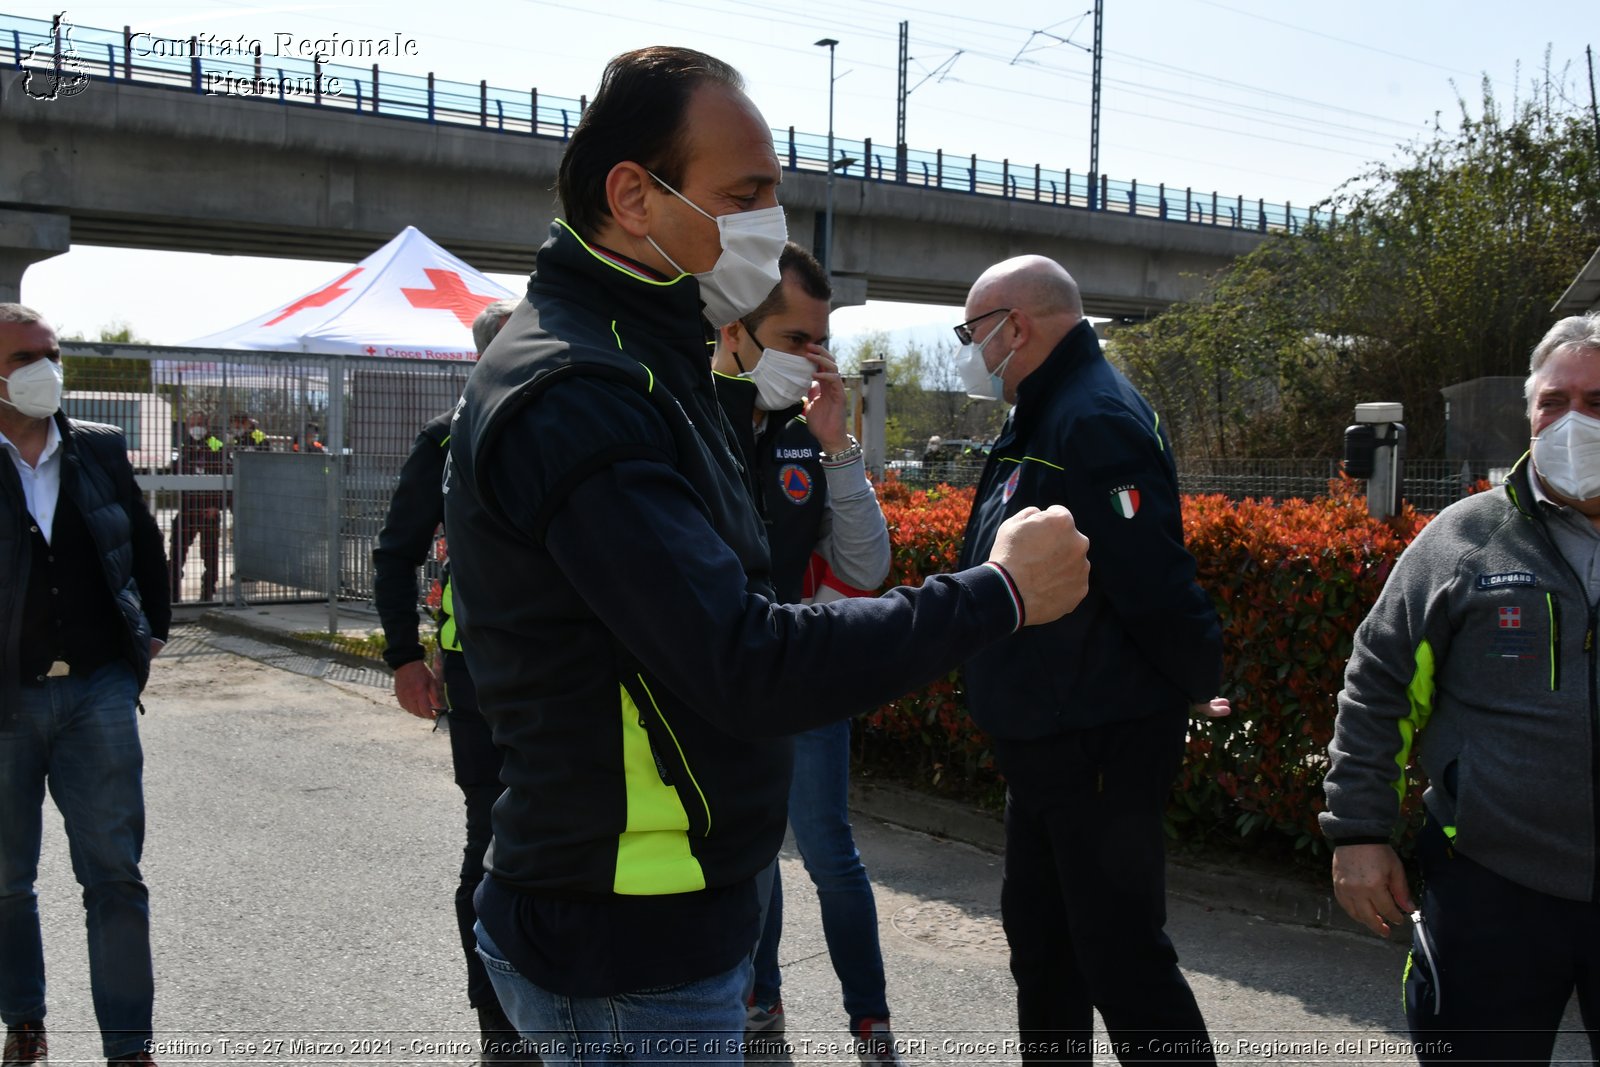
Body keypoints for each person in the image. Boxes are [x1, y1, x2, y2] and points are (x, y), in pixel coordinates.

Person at [442, 46, 1091, 1065]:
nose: (767, 226)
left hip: (657, 912)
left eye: (773, 196)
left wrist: (772, 404)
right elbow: (743, 658)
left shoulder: (644, 357)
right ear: (633, 196)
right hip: (625, 935)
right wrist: (999, 592)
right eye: (742, 195)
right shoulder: (581, 388)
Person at [952, 256, 1228, 1065]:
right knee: (1045, 951)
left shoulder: (1090, 416)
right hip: (1050, 738)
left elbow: (1150, 576)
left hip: (1096, 736)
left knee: (1122, 959)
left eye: (972, 332)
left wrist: (1195, 677)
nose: (969, 349)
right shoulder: (1045, 409)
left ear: (1017, 326)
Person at [1323, 311, 1600, 1065]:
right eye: (1553, 401)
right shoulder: (1461, 538)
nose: (1572, 419)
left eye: (1597, 402)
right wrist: (1358, 829)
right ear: (1529, 412)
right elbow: (1377, 681)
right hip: (1490, 888)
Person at [710, 243, 901, 1063]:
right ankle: (763, 1002)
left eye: (821, 340)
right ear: (734, 332)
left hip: (804, 677)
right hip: (720, 681)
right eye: (796, 340)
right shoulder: (688, 415)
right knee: (752, 857)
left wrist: (839, 448)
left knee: (828, 852)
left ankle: (871, 1020)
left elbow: (867, 567)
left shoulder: (805, 435)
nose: (814, 360)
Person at [0, 303, 170, 1067]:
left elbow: (141, 544)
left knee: (115, 875)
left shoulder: (97, 448)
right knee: (6, 879)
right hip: (5, 700)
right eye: (24, 357)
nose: (45, 368)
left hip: (98, 690)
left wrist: (151, 634)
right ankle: (25, 1018)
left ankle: (129, 1048)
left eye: (52, 351)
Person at [372, 298, 524, 1066]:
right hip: (479, 677)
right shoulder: (446, 436)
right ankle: (498, 1022)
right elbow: (396, 550)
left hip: (563, 671)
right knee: (491, 843)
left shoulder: (560, 426)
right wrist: (404, 654)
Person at [168, 409, 226, 602]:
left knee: (210, 554)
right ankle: (173, 592)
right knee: (176, 548)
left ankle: (207, 592)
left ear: (207, 426)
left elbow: (227, 477)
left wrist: (216, 505)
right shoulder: (185, 446)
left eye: (198, 424)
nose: (195, 428)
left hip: (209, 508)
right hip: (187, 507)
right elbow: (176, 472)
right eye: (191, 424)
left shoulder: (217, 446)